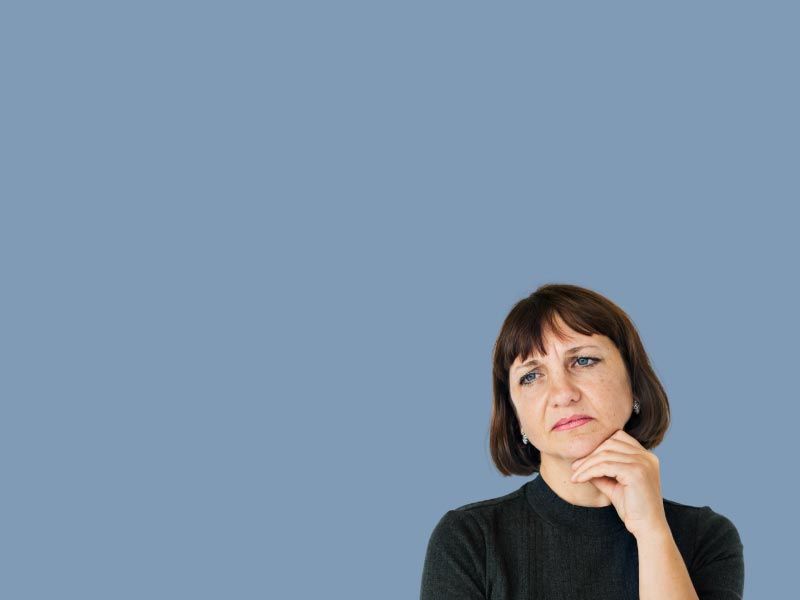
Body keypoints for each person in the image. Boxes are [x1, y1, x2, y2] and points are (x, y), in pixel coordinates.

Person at [419, 283, 745, 600]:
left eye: (583, 361)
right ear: (516, 414)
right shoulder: (469, 539)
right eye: (531, 376)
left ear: (634, 382)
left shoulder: (706, 537)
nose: (562, 393)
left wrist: (652, 531)